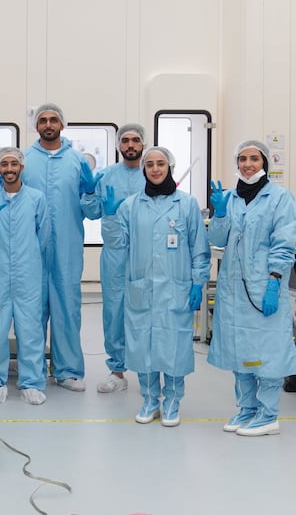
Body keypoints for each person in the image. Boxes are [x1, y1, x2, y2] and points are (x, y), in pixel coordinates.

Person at [0, 103, 100, 391]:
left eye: (53, 120)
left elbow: (92, 210)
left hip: (66, 249)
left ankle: (67, 370)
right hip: (25, 250)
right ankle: (31, 373)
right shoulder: (25, 159)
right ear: (36, 126)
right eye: (43, 120)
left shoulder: (76, 162)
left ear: (62, 124)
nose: (48, 124)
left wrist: (92, 190)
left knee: (67, 309)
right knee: (30, 315)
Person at [102, 146, 210, 426]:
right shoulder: (130, 206)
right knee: (142, 345)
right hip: (142, 288)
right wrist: (111, 218)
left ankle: (173, 399)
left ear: (169, 166)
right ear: (143, 170)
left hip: (176, 288)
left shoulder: (186, 204)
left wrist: (199, 282)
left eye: (160, 163)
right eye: (149, 164)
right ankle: (150, 399)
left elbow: (199, 248)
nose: (155, 169)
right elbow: (118, 245)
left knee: (174, 345)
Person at [206, 140, 296, 436]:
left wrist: (275, 279)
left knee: (267, 350)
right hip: (233, 290)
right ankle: (247, 409)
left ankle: (268, 414)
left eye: (254, 159)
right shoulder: (229, 198)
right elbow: (218, 240)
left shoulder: (280, 198)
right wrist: (219, 214)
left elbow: (285, 241)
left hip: (265, 286)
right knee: (239, 350)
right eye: (242, 159)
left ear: (264, 162)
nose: (247, 164)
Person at [0, 147, 49, 404]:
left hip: (28, 272)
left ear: (21, 167)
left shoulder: (36, 198)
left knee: (30, 329)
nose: (9, 169)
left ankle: (32, 382)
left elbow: (44, 237)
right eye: (4, 164)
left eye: (13, 164)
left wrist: (31, 261)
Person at [81, 124, 147, 393]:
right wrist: (88, 192)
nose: (130, 145)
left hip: (148, 256)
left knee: (146, 313)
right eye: (125, 140)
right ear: (118, 145)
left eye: (135, 140)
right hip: (115, 256)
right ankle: (117, 371)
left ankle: (148, 370)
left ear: (143, 144)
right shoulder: (106, 176)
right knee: (114, 313)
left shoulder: (154, 173)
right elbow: (93, 212)